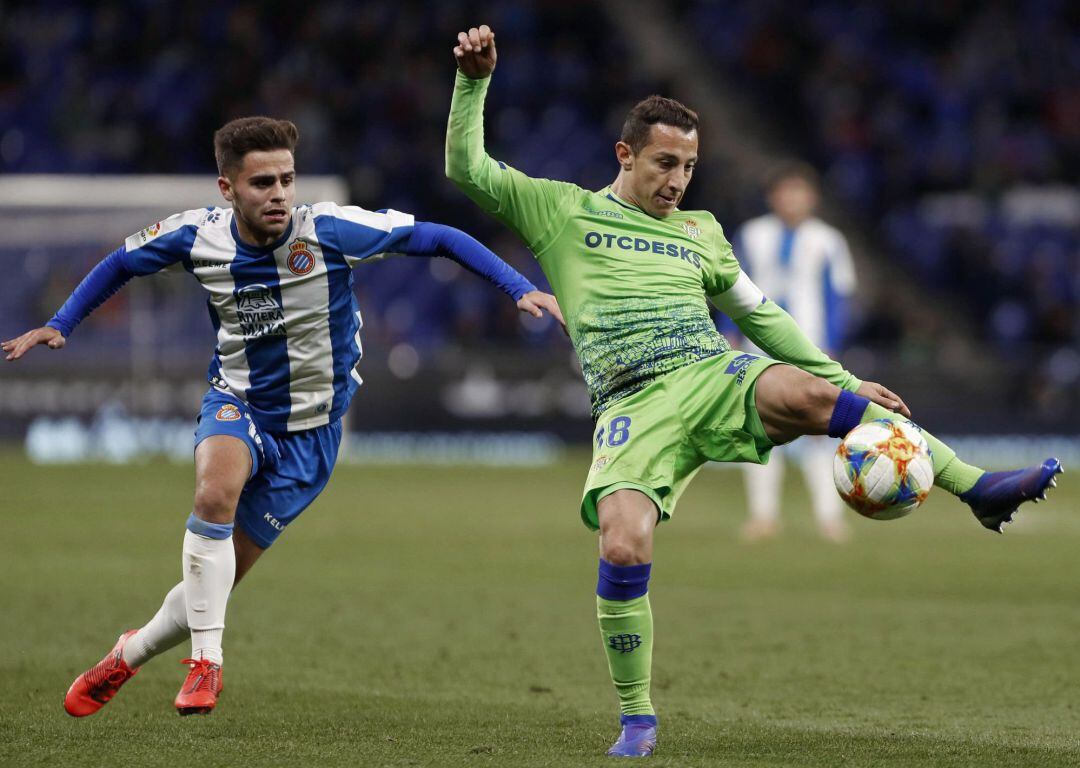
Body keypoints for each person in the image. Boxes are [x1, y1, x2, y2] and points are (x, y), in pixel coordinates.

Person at [445, 25, 1062, 757]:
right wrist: (474, 81)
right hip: (631, 404)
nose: (677, 180)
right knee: (623, 541)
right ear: (626, 156)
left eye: (690, 167)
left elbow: (760, 315)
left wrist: (843, 379)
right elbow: (467, 167)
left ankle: (974, 484)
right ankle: (638, 717)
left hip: (711, 374)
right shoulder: (561, 211)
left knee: (806, 394)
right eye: (664, 163)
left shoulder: (702, 231)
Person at [2, 116, 563, 717]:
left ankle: (128, 654)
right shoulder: (197, 237)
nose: (278, 194)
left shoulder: (328, 230)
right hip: (238, 402)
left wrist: (516, 286)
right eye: (261, 182)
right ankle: (206, 665)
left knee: (210, 585)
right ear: (227, 189)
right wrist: (60, 325)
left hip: (314, 433)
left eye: (286, 180)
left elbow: (440, 236)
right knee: (214, 492)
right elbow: (120, 262)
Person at [733, 163, 857, 543]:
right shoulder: (752, 235)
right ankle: (763, 516)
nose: (792, 200)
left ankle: (829, 516)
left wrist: (833, 342)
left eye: (799, 192)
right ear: (773, 197)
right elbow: (730, 286)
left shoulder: (828, 240)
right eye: (785, 192)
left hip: (811, 347)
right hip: (758, 347)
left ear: (812, 198)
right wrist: (729, 333)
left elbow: (838, 296)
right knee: (757, 430)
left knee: (820, 431)